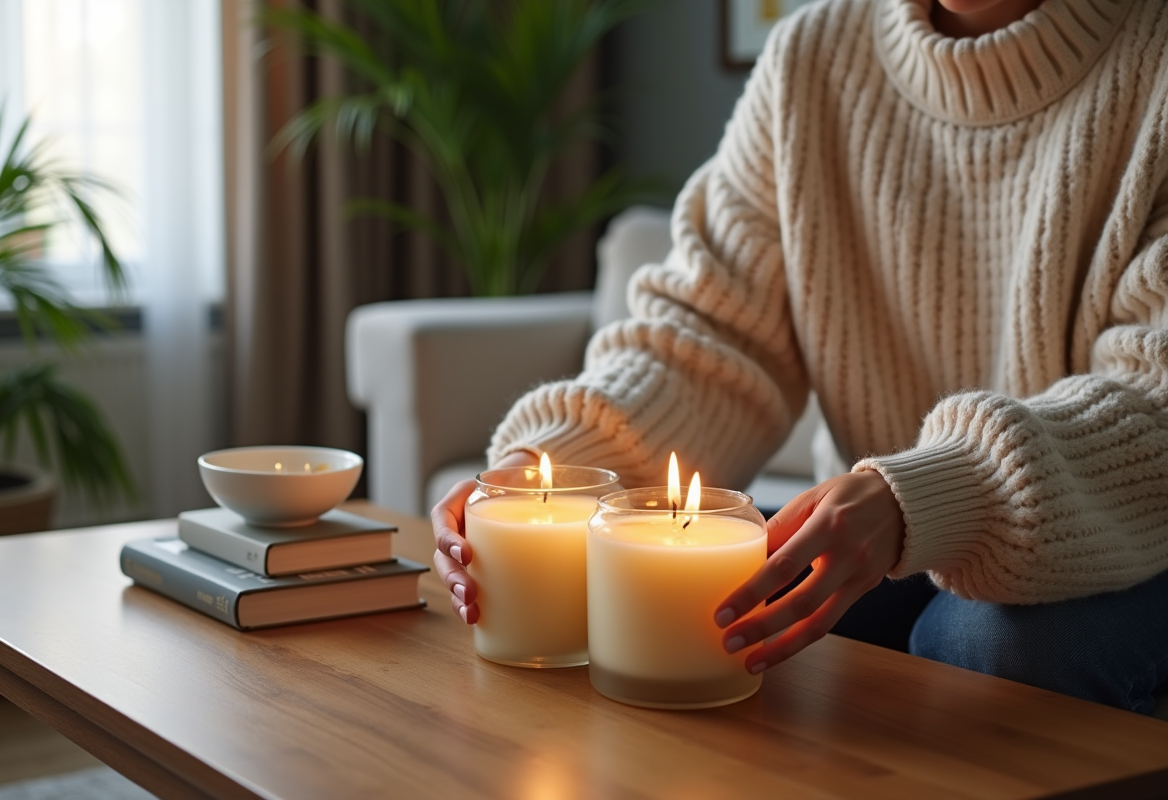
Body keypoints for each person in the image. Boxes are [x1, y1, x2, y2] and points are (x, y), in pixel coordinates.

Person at [432, 0, 1168, 714]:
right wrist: (554, 470)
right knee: (690, 609)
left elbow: (1154, 392)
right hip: (895, 530)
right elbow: (712, 338)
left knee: (982, 643)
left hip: (1131, 538)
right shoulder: (813, 58)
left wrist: (935, 493)